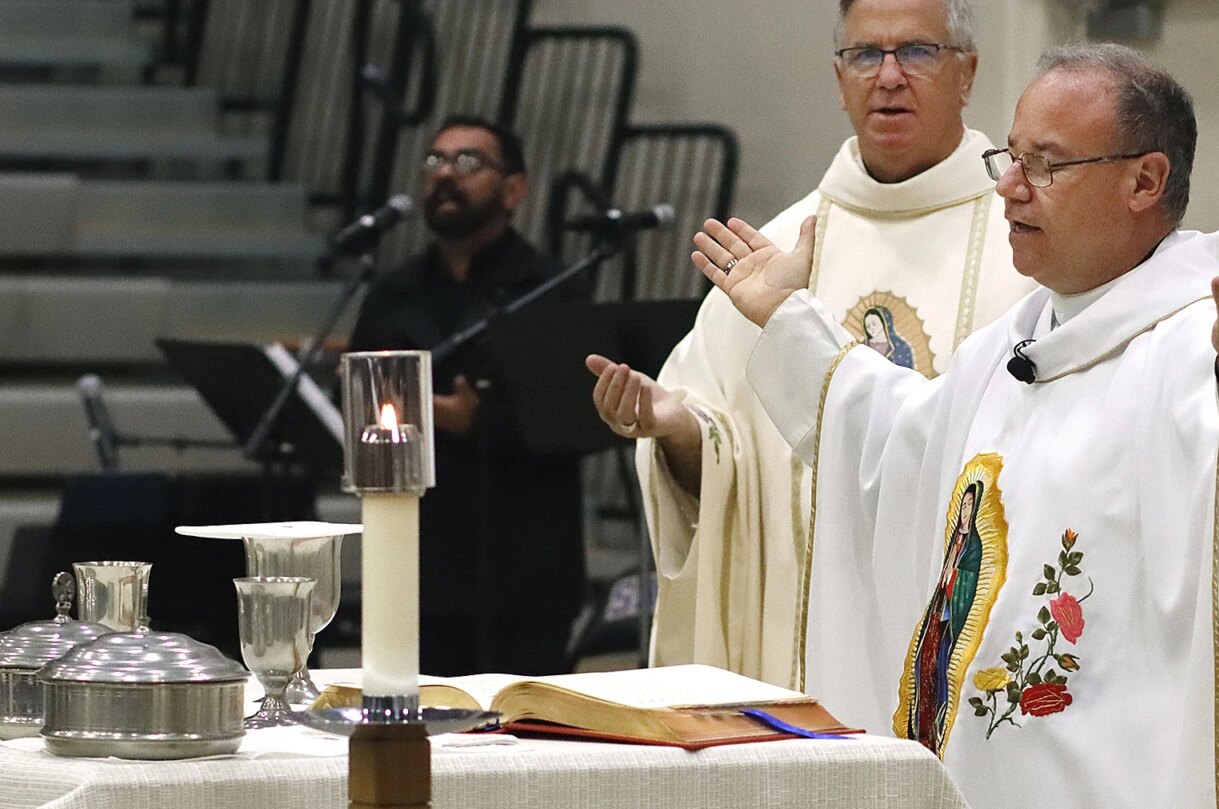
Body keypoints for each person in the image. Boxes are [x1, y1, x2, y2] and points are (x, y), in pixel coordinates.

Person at [692, 42, 1219, 809]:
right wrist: (785, 319)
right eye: (1008, 158)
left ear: (1145, 180)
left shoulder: (1200, 350)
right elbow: (895, 445)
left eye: (1045, 164)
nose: (1010, 186)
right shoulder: (1016, 345)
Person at [585, 0, 1030, 687]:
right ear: (839, 78)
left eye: (916, 51)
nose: (888, 76)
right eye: (865, 55)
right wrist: (679, 431)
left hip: (962, 641)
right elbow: (721, 446)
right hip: (797, 659)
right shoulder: (771, 254)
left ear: (966, 73)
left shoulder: (1024, 247)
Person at [349, 115, 591, 676]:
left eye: (468, 162)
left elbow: (579, 419)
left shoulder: (551, 289)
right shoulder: (393, 292)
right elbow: (362, 402)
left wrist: (480, 423)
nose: (445, 175)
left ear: (514, 189)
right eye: (435, 161)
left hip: (524, 575)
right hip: (417, 569)